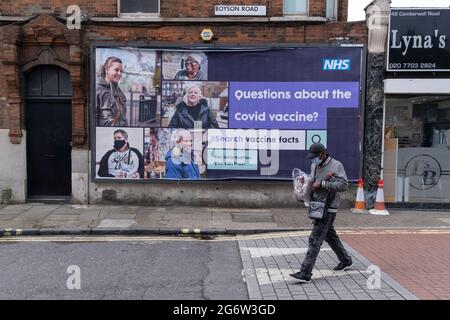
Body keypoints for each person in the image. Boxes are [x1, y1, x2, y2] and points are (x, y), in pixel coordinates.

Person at [290, 142, 353, 283]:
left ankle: (305, 273)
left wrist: (323, 184)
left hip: (328, 207)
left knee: (315, 239)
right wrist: (305, 180)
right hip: (317, 204)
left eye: (314, 157)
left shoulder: (336, 165)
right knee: (330, 236)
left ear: (322, 154)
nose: (313, 160)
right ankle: (346, 260)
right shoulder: (314, 165)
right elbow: (313, 180)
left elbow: (343, 185)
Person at [96, 56, 128, 126]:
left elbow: (124, 119)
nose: (119, 73)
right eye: (116, 70)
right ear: (106, 70)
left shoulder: (119, 91)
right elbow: (92, 121)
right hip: (104, 135)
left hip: (120, 133)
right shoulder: (97, 90)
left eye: (121, 71)